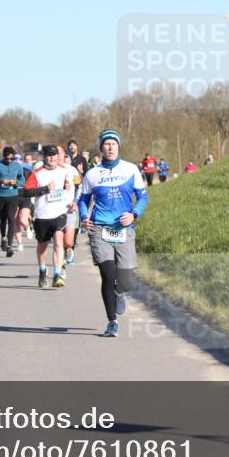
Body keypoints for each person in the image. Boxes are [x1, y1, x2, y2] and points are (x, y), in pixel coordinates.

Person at [78, 129, 148, 338]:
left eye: (114, 144)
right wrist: (84, 216)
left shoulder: (131, 169)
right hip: (100, 228)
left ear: (118, 147)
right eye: (106, 144)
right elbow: (83, 200)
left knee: (126, 281)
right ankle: (112, 322)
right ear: (101, 148)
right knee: (108, 275)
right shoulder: (92, 174)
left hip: (124, 228)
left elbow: (143, 197)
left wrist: (134, 214)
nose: (110, 148)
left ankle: (120, 292)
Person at [20, 145, 73, 288]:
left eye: (54, 155)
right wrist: (45, 189)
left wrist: (67, 191)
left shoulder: (64, 171)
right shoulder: (37, 173)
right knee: (42, 246)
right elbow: (26, 192)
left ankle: (57, 275)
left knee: (58, 243)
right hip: (42, 215)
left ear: (57, 156)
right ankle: (42, 271)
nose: (52, 157)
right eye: (49, 155)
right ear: (44, 157)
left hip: (59, 213)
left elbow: (68, 188)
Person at [0, 146, 25, 257]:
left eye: (11, 159)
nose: (9, 161)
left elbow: (23, 181)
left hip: (13, 196)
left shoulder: (17, 166)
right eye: (6, 159)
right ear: (3, 157)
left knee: (11, 219)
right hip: (0, 197)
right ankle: (3, 237)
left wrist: (16, 182)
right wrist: (1, 181)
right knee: (3, 220)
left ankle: (9, 246)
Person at [62, 152, 83, 266]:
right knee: (59, 235)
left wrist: (76, 201)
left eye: (66, 157)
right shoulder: (49, 170)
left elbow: (79, 186)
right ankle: (61, 259)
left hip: (70, 207)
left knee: (71, 235)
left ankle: (69, 250)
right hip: (56, 209)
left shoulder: (72, 170)